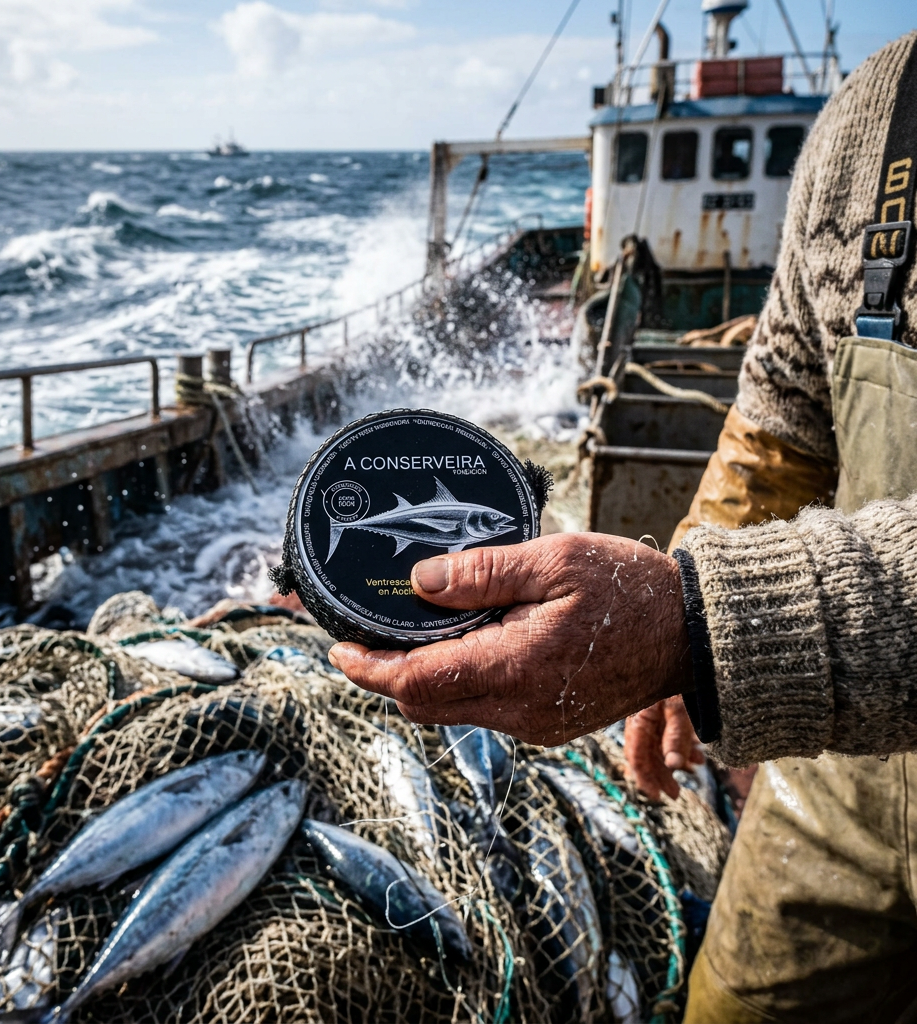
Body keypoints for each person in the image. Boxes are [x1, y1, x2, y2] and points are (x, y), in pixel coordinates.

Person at [328, 30, 917, 1023]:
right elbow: (779, 413)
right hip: (839, 782)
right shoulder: (872, 113)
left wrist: (702, 626)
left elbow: (712, 609)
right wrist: (686, 605)